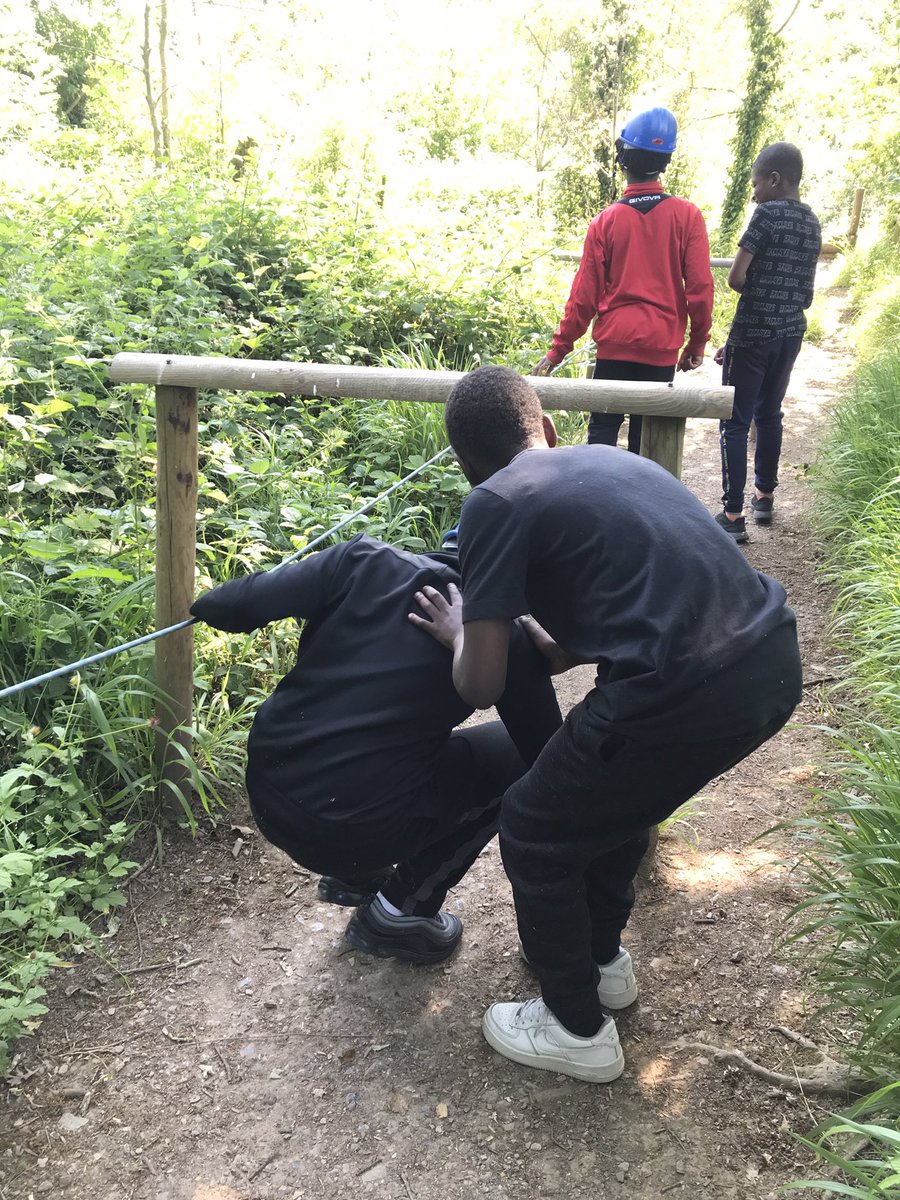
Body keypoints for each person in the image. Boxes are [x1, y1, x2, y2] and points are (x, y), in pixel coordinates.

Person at [410, 366, 802, 1083]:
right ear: (548, 430)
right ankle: (600, 962)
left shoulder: (492, 502)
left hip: (689, 686)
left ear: (469, 468)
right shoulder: (613, 462)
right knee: (617, 801)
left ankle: (575, 1027)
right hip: (769, 656)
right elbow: (636, 593)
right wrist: (562, 644)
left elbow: (482, 681)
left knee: (533, 826)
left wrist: (460, 631)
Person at [190, 531, 562, 965]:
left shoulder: (360, 560)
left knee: (395, 739)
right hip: (353, 827)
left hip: (271, 796)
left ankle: (356, 875)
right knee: (519, 762)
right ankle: (401, 910)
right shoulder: (504, 636)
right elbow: (550, 757)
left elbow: (227, 605)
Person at [532, 106, 714, 453]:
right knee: (646, 444)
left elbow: (583, 297)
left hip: (614, 347)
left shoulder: (606, 221)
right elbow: (701, 288)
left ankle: (594, 504)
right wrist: (697, 343)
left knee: (601, 438)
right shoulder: (687, 217)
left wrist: (558, 351)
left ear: (623, 160)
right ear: (666, 161)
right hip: (661, 349)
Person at [715, 142, 821, 543]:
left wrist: (756, 303)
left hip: (753, 332)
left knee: (735, 421)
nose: (754, 191)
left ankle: (733, 514)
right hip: (790, 332)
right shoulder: (812, 222)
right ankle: (764, 498)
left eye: (756, 182)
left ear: (774, 179)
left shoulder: (766, 213)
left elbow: (736, 277)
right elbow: (807, 292)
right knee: (770, 414)